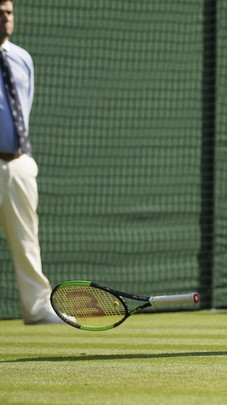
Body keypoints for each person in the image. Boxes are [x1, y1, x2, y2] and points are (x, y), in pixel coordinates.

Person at [0, 0, 62, 324]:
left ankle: (38, 308)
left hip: (19, 165)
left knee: (27, 240)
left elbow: (24, 108)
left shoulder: (22, 58)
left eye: (9, 12)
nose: (5, 18)